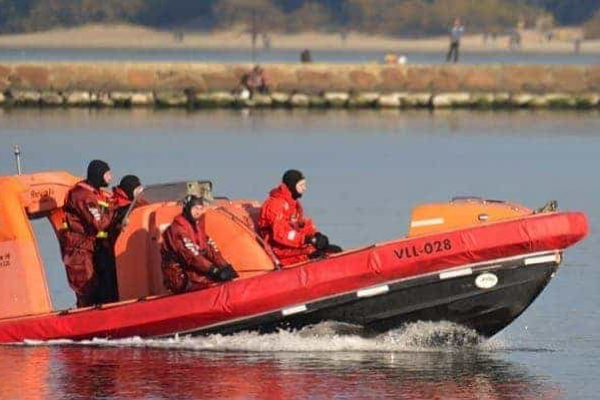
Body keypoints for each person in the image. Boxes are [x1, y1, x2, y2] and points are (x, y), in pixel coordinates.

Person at [258, 169, 342, 266]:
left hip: (294, 247)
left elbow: (301, 224)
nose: (304, 188)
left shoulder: (293, 204)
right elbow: (281, 234)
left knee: (335, 250)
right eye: (301, 185)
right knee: (320, 256)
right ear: (292, 185)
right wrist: (306, 239)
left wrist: (316, 235)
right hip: (282, 252)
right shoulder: (275, 205)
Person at [62, 160, 115, 307]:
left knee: (101, 287)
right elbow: (99, 223)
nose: (110, 178)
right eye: (107, 174)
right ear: (99, 175)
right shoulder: (83, 196)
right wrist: (113, 210)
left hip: (91, 248)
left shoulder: (96, 193)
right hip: (79, 250)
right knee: (88, 290)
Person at [161, 196, 238, 294]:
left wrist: (225, 266)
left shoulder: (198, 228)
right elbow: (190, 255)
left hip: (195, 270)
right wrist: (213, 270)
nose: (198, 212)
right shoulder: (177, 229)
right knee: (210, 281)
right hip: (181, 275)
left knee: (223, 278)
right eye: (195, 208)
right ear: (187, 208)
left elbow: (211, 250)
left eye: (200, 209)